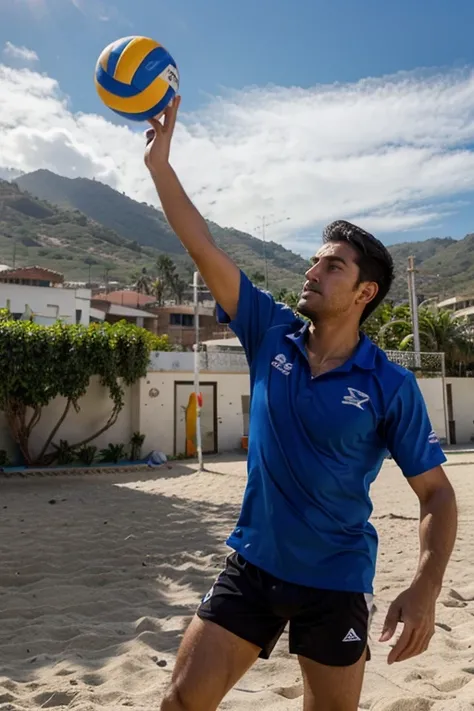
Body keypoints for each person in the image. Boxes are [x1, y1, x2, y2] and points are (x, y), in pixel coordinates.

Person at [144, 97, 458, 711]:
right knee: (180, 704)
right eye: (314, 260)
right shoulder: (270, 332)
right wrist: (160, 168)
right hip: (251, 565)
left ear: (365, 292)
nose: (313, 271)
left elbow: (438, 494)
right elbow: (205, 248)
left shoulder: (388, 383)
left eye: (332, 266)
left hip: (335, 581)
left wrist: (425, 585)